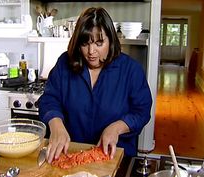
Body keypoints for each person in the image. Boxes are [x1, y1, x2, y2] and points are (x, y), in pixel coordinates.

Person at [39, 7, 152, 164]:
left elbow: (142, 111)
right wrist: (56, 124)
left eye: (99, 43)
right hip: (70, 154)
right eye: (85, 43)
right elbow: (49, 99)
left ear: (110, 40)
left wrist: (117, 128)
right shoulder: (64, 64)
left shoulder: (130, 70)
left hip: (115, 157)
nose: (91, 52)